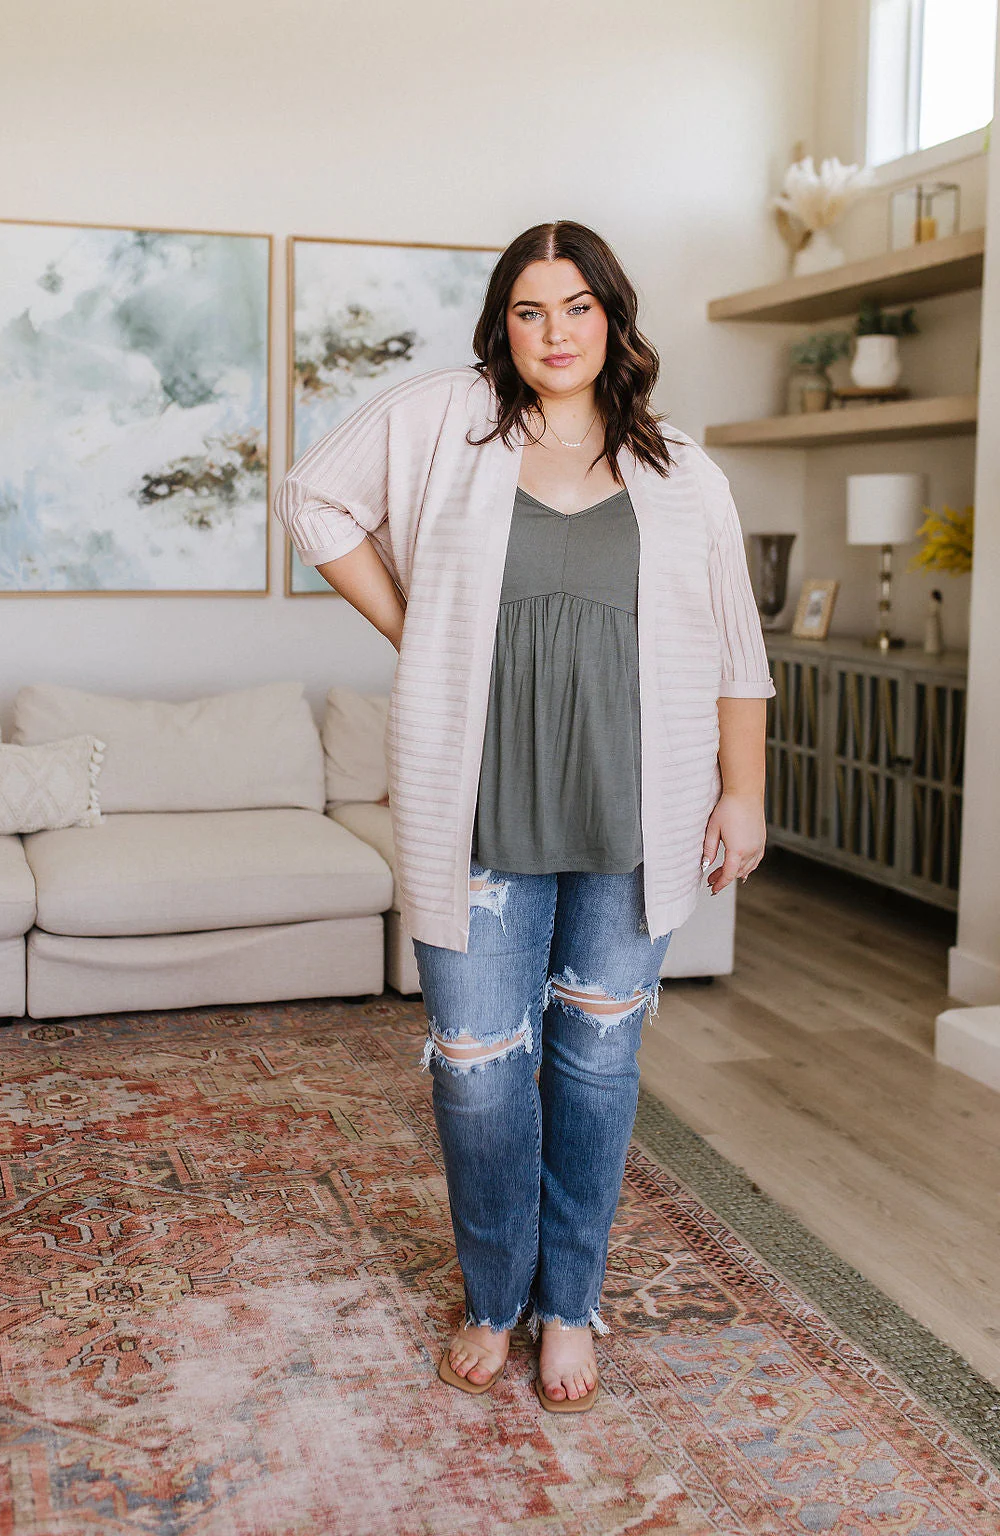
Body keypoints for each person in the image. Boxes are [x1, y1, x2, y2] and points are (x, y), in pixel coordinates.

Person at [274, 220, 775, 1414]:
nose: (556, 334)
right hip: (478, 811)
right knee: (478, 1074)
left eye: (578, 309)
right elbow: (314, 497)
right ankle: (492, 1294)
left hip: (634, 814)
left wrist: (744, 790)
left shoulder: (682, 471)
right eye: (529, 311)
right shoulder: (452, 423)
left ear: (614, 318)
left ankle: (568, 1305)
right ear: (503, 326)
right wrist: (417, 631)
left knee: (596, 1069)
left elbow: (733, 646)